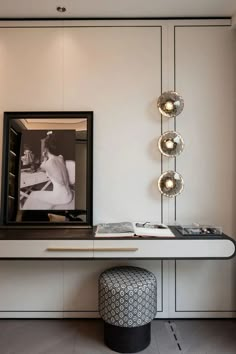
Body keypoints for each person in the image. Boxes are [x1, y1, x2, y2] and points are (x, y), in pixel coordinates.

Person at [22, 132, 74, 210]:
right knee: (38, 195)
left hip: (61, 198)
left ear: (45, 149)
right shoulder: (61, 158)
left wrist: (44, 158)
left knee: (33, 194)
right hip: (69, 194)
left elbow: (39, 166)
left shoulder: (47, 164)